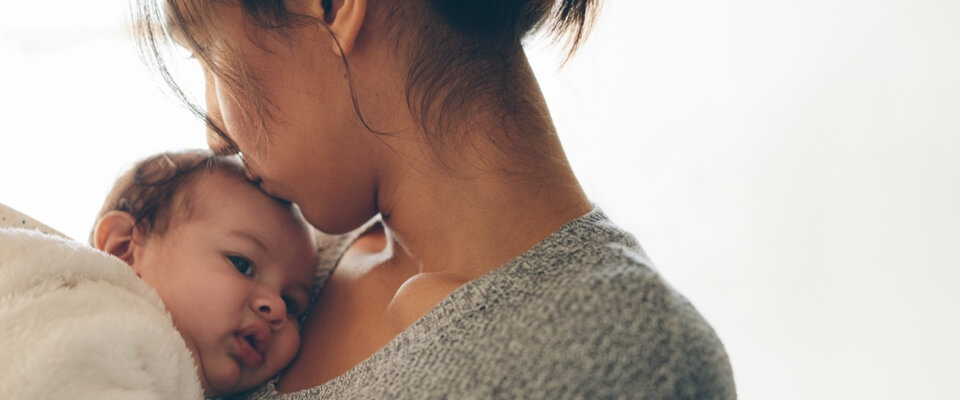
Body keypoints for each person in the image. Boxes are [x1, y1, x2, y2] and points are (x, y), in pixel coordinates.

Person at [134, 0, 737, 398]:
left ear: (333, 6)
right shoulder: (288, 263)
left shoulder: (632, 357)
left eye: (209, 54)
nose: (215, 136)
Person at [0, 150, 319, 399]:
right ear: (124, 249)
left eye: (292, 305)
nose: (276, 307)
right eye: (241, 264)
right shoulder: (110, 319)